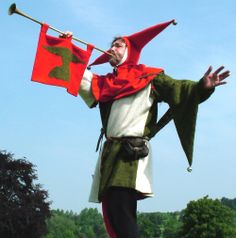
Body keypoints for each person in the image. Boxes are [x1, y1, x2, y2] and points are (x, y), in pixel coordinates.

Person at [64, 20, 230, 238]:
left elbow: (179, 90)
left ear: (130, 50)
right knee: (112, 210)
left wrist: (202, 87)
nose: (112, 48)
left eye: (119, 45)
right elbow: (80, 77)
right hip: (110, 153)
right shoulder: (105, 83)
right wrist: (66, 48)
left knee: (121, 206)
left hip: (131, 153)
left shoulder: (149, 78)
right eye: (112, 45)